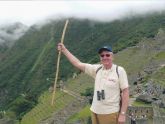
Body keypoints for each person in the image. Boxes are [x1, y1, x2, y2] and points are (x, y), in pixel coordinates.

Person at [57, 43, 129, 124]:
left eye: (107, 55)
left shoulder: (119, 71)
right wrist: (64, 50)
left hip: (110, 113)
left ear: (112, 56)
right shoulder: (97, 69)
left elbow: (125, 92)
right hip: (95, 111)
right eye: (102, 55)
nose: (105, 57)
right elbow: (77, 64)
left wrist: (122, 114)